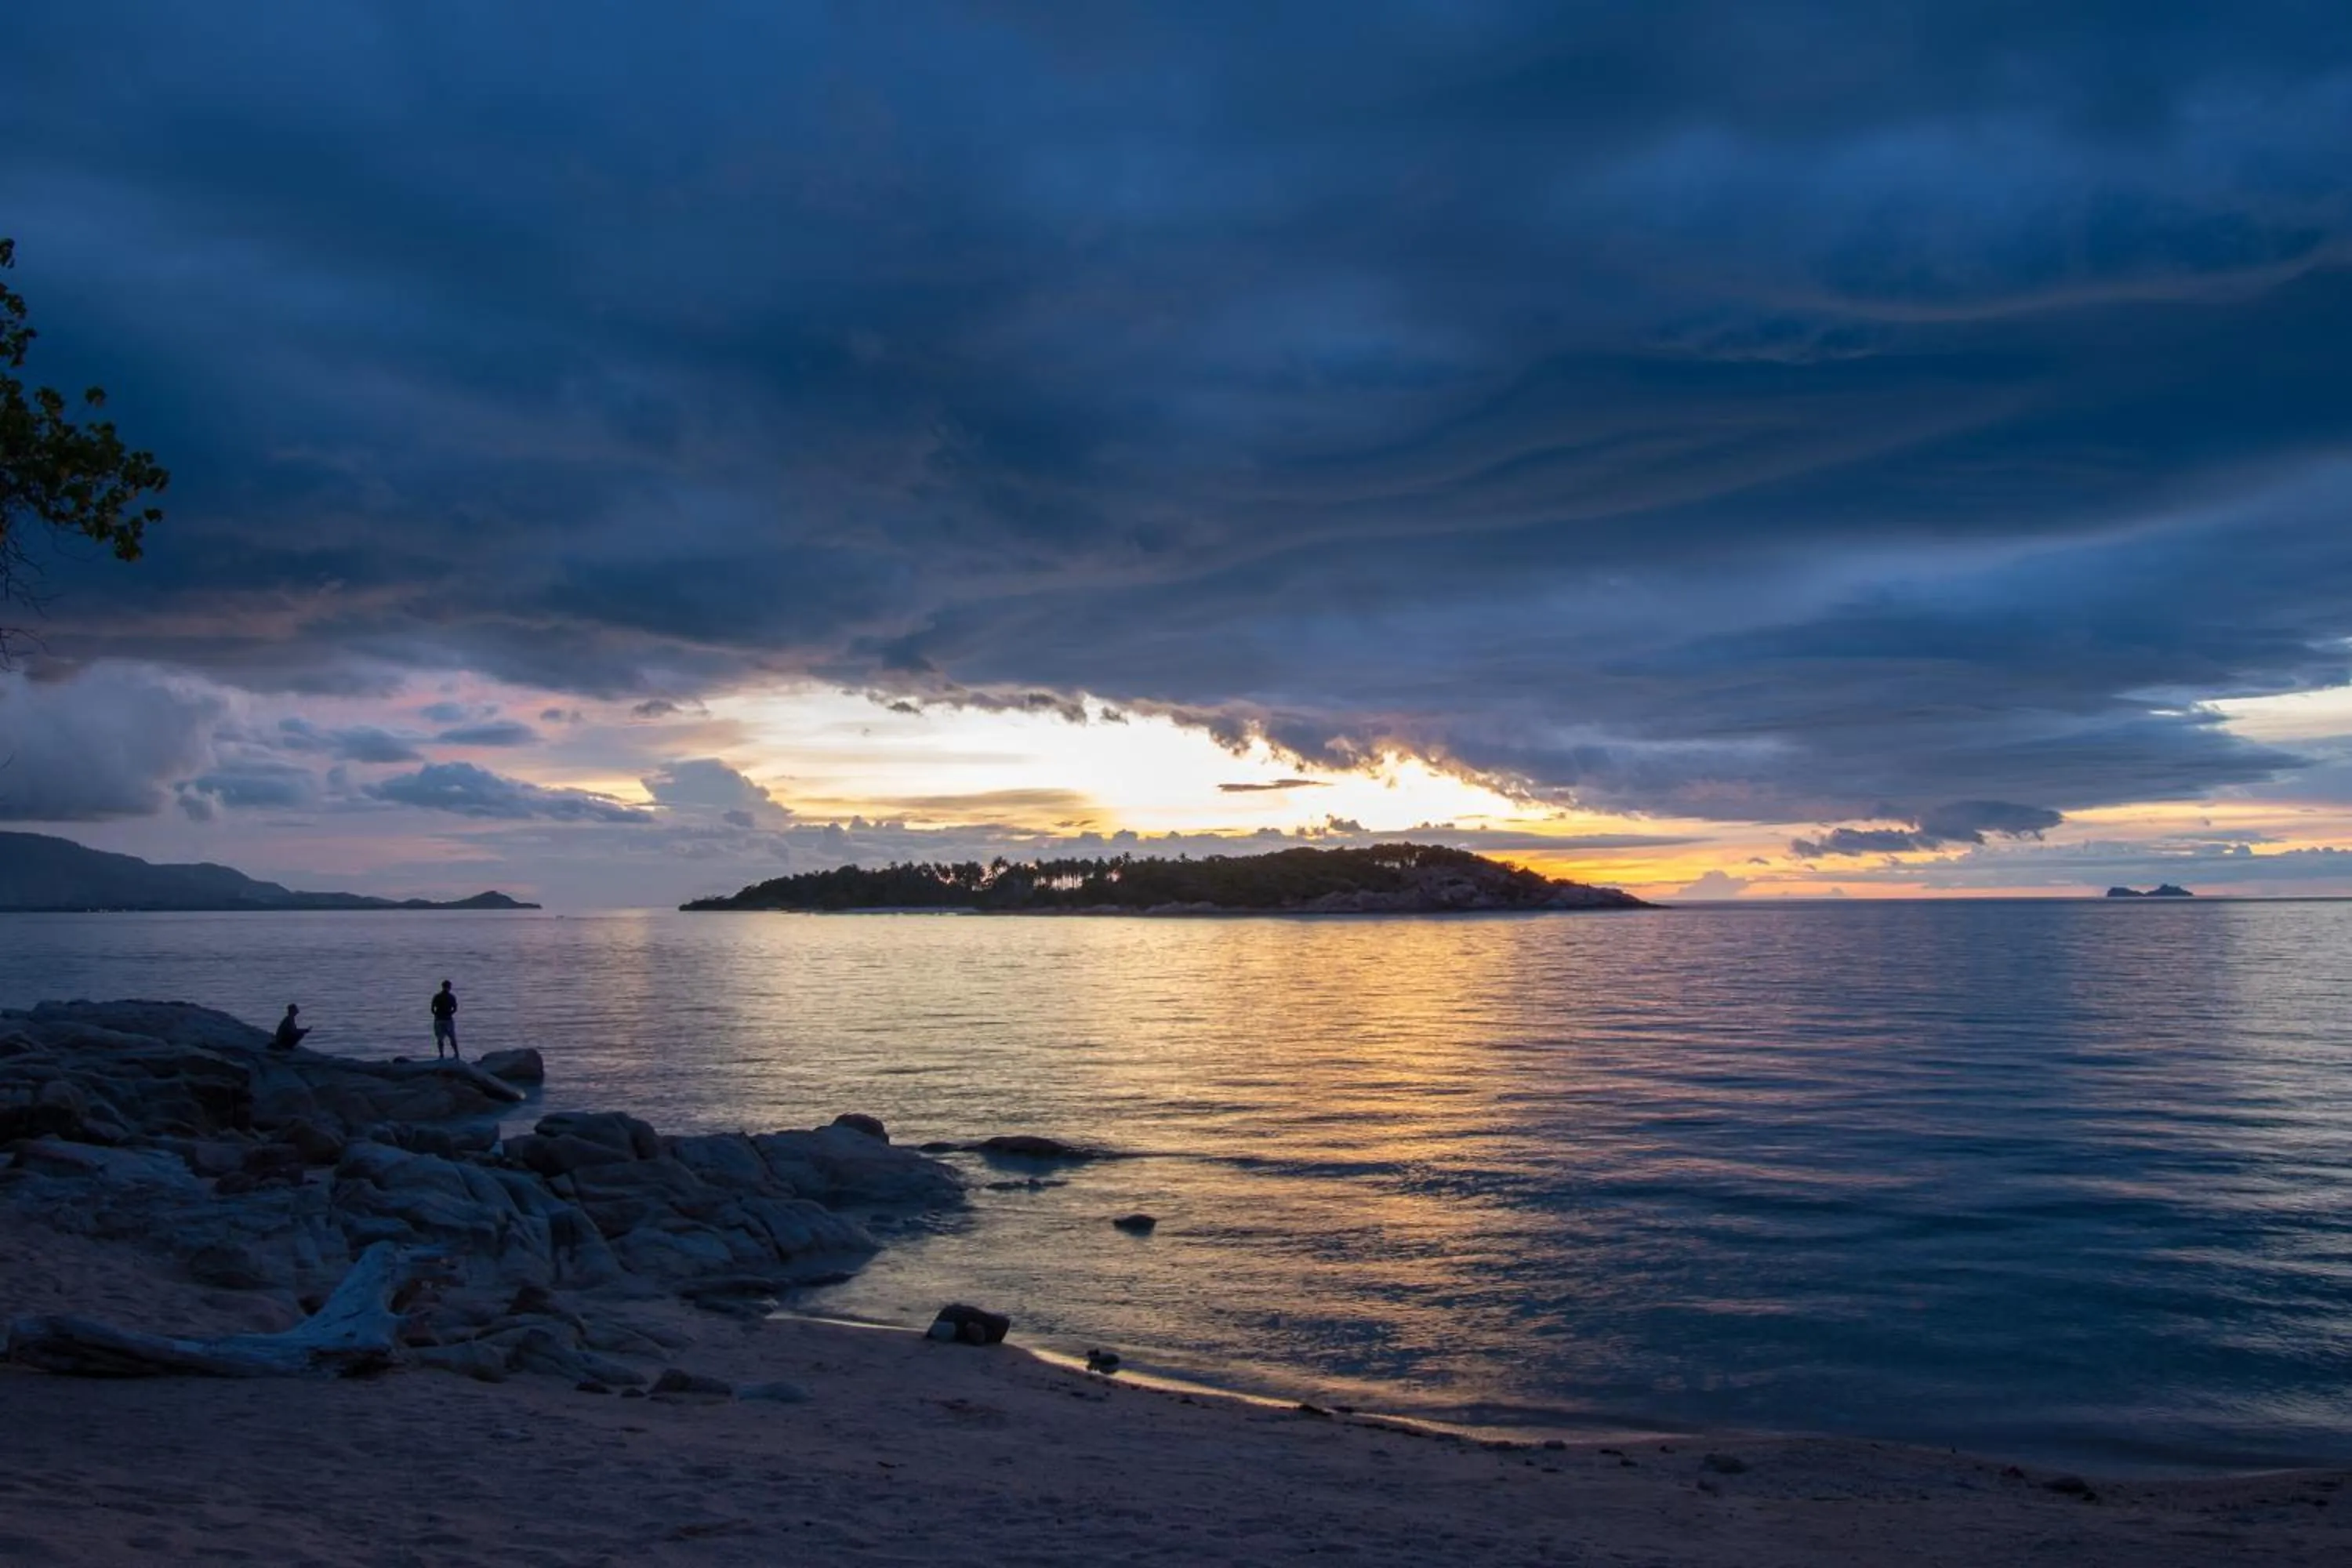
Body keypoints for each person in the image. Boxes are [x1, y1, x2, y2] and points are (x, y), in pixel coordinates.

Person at [430, 980, 460, 1059]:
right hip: (448, 1019)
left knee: (440, 1039)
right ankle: (456, 1054)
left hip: (439, 1019)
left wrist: (437, 1014)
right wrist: (449, 1013)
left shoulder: (437, 996)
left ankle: (441, 1055)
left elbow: (432, 1009)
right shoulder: (451, 997)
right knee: (452, 1038)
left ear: (442, 987)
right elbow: (455, 1009)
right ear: (449, 987)